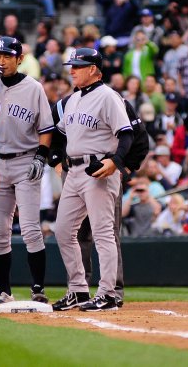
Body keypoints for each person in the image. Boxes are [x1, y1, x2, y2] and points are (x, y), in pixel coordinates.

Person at [0, 36, 54, 312]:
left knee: (32, 229)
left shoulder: (34, 88)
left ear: (19, 59)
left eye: (7, 56)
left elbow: (46, 129)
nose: (1, 60)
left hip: (24, 162)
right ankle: (3, 291)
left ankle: (38, 290)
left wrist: (41, 157)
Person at [52, 48, 133, 312]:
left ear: (94, 70)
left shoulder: (109, 96)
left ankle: (108, 293)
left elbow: (127, 134)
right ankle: (78, 289)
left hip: (99, 170)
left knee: (102, 233)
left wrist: (115, 161)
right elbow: (61, 134)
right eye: (71, 65)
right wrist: (57, 157)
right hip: (74, 171)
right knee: (63, 230)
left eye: (78, 65)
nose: (72, 69)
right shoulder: (74, 99)